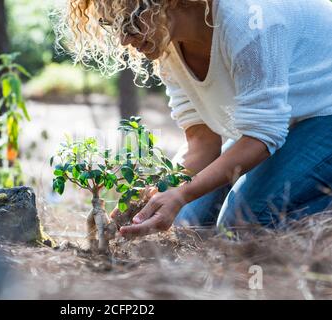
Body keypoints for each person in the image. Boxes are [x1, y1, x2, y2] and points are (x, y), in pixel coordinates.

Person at [58, 0, 332, 237]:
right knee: (188, 224)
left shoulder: (247, 21)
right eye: (112, 25)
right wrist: (145, 198)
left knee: (241, 225)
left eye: (130, 21)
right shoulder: (167, 48)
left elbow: (262, 135)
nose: (123, 39)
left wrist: (182, 193)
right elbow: (202, 144)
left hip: (324, 116)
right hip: (288, 123)